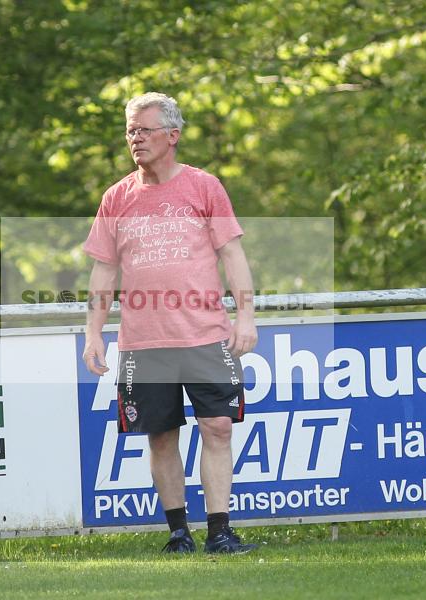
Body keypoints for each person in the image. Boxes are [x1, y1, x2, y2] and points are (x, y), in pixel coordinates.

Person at [82, 92, 258, 554]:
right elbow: (103, 270)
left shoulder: (204, 187)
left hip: (206, 336)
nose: (135, 138)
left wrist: (246, 317)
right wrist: (93, 333)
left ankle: (220, 531)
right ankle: (179, 532)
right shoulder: (116, 197)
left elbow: (232, 254)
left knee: (218, 427)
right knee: (160, 435)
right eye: (130, 131)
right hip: (143, 342)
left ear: (172, 136)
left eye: (144, 130)